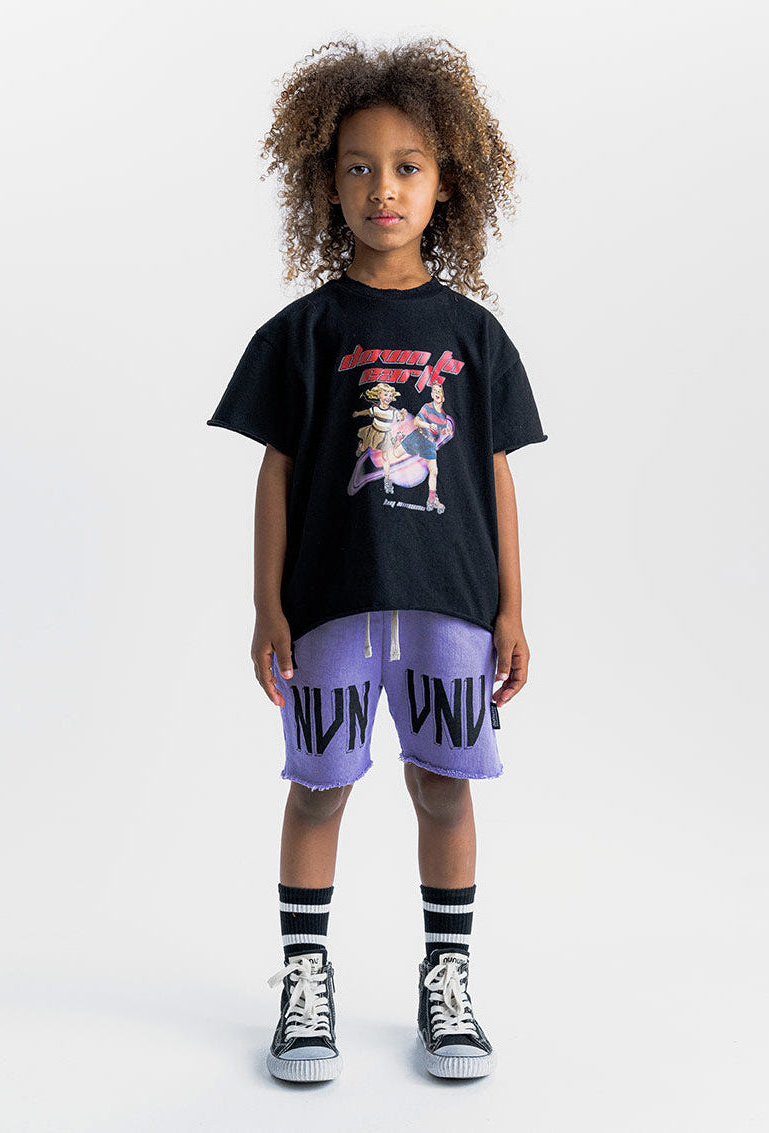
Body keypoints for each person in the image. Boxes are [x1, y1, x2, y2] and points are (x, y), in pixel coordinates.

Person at [207, 37, 548, 1082]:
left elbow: (494, 475)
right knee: (318, 788)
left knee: (443, 784)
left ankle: (447, 982)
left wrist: (511, 609)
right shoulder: (299, 334)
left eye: (406, 166)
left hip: (451, 604)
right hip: (328, 608)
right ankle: (303, 981)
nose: (382, 188)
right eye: (358, 166)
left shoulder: (476, 338)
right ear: (326, 183)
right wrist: (266, 605)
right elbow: (274, 474)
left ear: (448, 185)